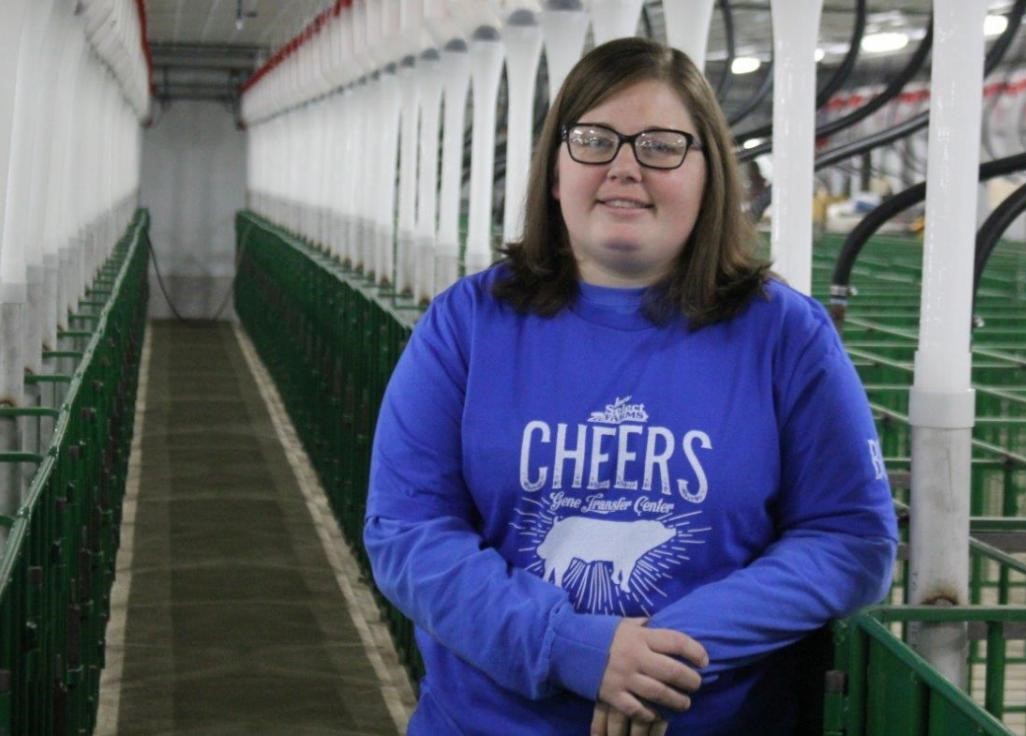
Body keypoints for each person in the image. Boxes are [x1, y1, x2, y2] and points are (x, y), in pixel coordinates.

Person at [363, 37, 897, 736]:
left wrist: (659, 655)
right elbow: (407, 532)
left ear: (710, 175)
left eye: (660, 145)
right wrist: (571, 646)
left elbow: (851, 538)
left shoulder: (785, 335)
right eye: (593, 140)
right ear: (555, 172)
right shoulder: (468, 323)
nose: (623, 167)